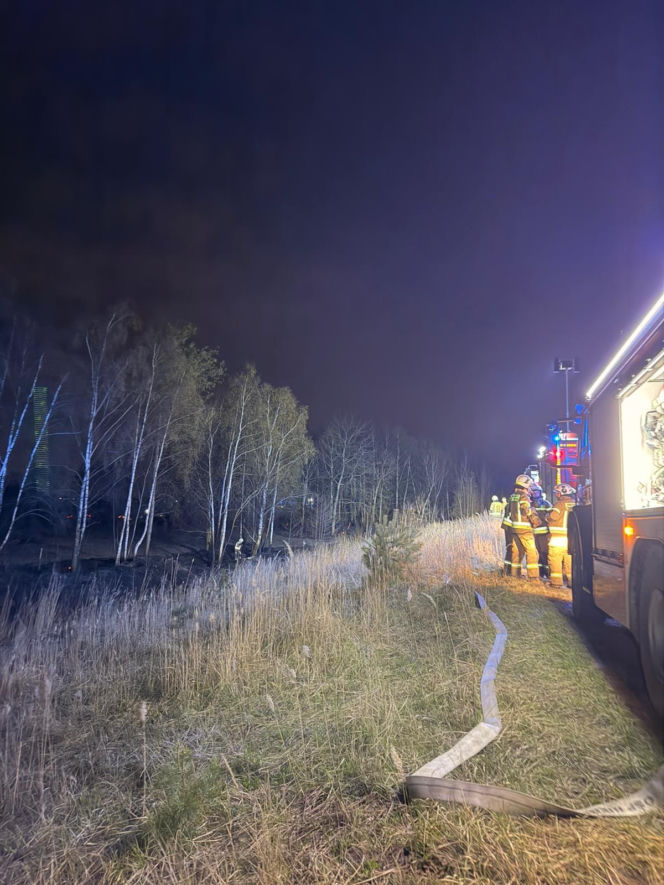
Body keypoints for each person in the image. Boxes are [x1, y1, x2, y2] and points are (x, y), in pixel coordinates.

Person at [502, 474, 541, 579]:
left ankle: (515, 574)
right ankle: (533, 577)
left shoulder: (513, 496)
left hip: (514, 530)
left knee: (516, 552)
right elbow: (527, 510)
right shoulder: (524, 497)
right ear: (525, 485)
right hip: (525, 530)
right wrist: (536, 521)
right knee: (532, 552)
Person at [547, 483, 575, 587]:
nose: (556, 494)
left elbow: (553, 517)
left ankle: (556, 583)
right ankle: (572, 583)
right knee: (570, 562)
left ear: (561, 493)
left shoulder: (559, 504)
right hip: (570, 539)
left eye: (557, 492)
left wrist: (547, 517)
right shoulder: (574, 504)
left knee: (555, 560)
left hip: (557, 539)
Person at [530, 483, 552, 578]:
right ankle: (540, 572)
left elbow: (551, 515)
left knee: (544, 552)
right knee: (537, 553)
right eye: (533, 492)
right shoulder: (529, 504)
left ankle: (548, 572)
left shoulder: (546, 503)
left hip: (544, 533)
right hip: (533, 533)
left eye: (537, 492)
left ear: (540, 492)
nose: (535, 494)